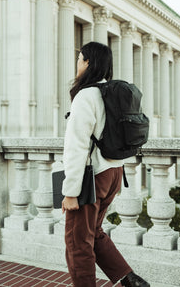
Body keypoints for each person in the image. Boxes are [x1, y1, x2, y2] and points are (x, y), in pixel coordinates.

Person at [61, 41, 150, 287]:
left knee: (78, 243)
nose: (77, 63)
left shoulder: (86, 95)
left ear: (88, 62)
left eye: (80, 58)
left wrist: (70, 192)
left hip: (92, 177)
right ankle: (131, 280)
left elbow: (76, 147)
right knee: (94, 232)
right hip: (114, 173)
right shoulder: (111, 92)